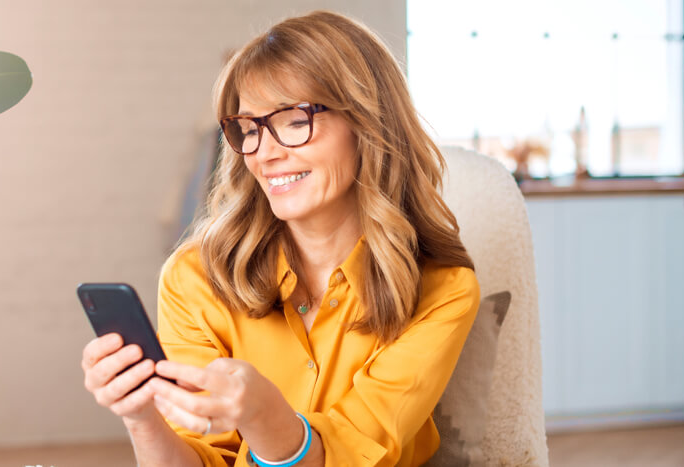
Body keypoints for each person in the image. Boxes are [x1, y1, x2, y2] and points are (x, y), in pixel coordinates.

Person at [81, 10, 479, 467]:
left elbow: (353, 455)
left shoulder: (442, 289)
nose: (265, 153)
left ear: (369, 126)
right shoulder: (194, 278)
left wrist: (262, 412)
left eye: (294, 120)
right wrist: (141, 418)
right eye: (250, 129)